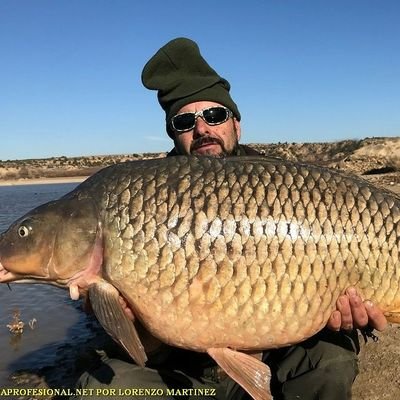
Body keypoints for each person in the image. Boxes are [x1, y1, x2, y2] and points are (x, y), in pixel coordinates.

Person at [73, 38, 387, 400]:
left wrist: (355, 317)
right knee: (104, 388)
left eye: (215, 115)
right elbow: (147, 348)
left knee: (331, 360)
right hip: (184, 366)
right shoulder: (140, 199)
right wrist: (132, 322)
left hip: (279, 350)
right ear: (173, 134)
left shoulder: (286, 183)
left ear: (236, 123)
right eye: (185, 120)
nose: (202, 128)